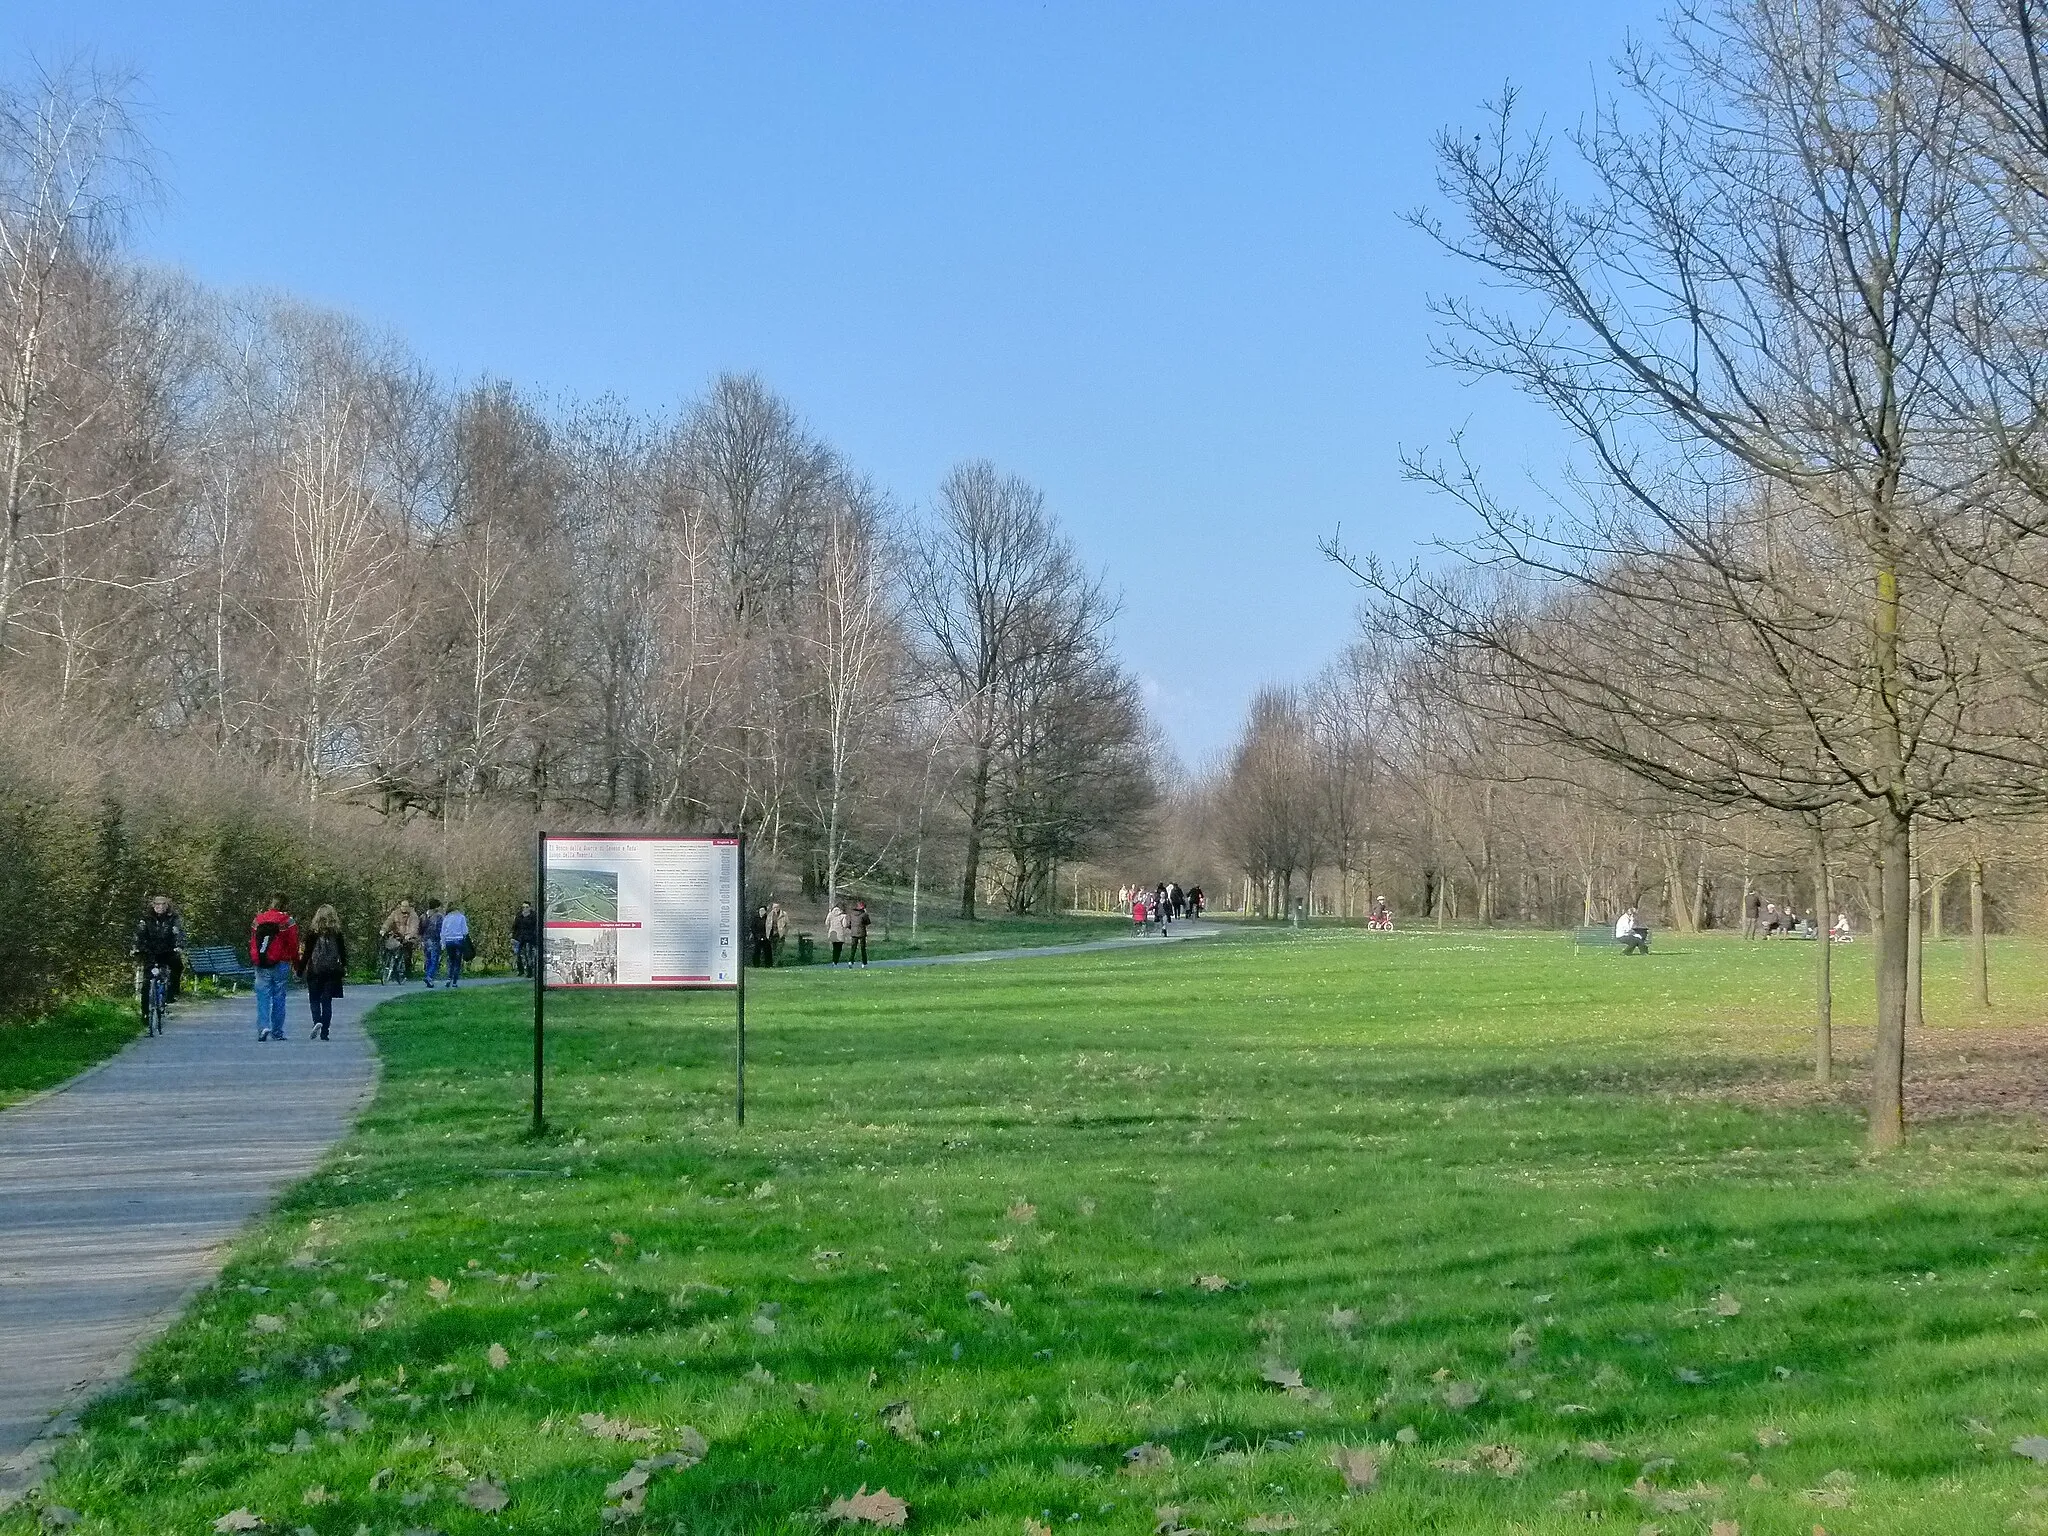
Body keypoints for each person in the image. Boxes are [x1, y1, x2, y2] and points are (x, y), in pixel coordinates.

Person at [249, 896, 301, 1041]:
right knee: (279, 996)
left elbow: (253, 942)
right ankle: (277, 1031)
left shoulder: (258, 920)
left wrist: (255, 959)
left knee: (262, 996)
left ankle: (263, 1027)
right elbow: (293, 945)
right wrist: (297, 965)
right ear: (286, 905)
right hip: (281, 962)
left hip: (261, 962)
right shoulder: (288, 921)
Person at [130, 895, 185, 1031]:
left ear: (167, 906)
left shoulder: (173, 918)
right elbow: (139, 934)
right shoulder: (146, 919)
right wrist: (136, 947)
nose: (159, 907)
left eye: (162, 905)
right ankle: (145, 1013)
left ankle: (172, 993)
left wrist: (178, 945)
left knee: (177, 965)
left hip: (167, 951)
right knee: (147, 983)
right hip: (150, 952)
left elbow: (178, 933)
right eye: (157, 904)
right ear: (153, 906)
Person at [297, 905, 347, 1040]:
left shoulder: (312, 933)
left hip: (315, 970)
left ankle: (317, 1021)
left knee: (314, 999)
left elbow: (307, 953)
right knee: (327, 1000)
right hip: (332, 971)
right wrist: (345, 967)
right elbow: (342, 953)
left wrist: (300, 970)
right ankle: (325, 1032)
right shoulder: (337, 933)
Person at [381, 899, 420, 981]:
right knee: (389, 948)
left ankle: (406, 973)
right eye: (403, 906)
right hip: (397, 935)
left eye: (406, 906)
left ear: (409, 907)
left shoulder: (413, 915)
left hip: (408, 937)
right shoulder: (395, 913)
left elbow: (414, 926)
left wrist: (409, 935)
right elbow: (389, 921)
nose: (404, 908)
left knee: (406, 954)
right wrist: (384, 929)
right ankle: (388, 969)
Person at [441, 902, 470, 987]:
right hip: (458, 940)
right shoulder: (461, 917)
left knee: (451, 960)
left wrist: (443, 943)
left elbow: (443, 932)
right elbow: (465, 931)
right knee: (457, 961)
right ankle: (454, 982)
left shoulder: (446, 918)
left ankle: (449, 978)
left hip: (449, 941)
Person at [420, 899, 445, 987]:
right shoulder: (439, 917)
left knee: (428, 960)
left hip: (425, 940)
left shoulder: (423, 916)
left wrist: (421, 940)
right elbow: (441, 929)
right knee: (434, 961)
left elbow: (420, 929)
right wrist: (442, 940)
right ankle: (429, 976)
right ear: (436, 907)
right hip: (435, 940)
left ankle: (428, 976)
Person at [511, 902, 539, 978]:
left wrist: (534, 936)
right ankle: (520, 970)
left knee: (528, 954)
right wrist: (513, 937)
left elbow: (536, 927)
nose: (525, 909)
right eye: (523, 907)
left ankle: (529, 972)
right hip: (519, 937)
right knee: (518, 954)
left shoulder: (534, 916)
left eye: (526, 907)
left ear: (530, 907)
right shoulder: (519, 915)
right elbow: (515, 927)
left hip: (529, 938)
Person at [849, 899, 871, 967]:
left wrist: (852, 928)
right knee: (863, 948)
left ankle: (850, 961)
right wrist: (866, 913)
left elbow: (848, 923)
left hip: (854, 933)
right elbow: (868, 922)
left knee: (853, 948)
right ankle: (864, 963)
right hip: (862, 933)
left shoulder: (852, 914)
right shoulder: (864, 914)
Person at [767, 899, 787, 966]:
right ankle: (772, 963)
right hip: (771, 934)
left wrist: (784, 933)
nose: (775, 909)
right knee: (772, 950)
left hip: (780, 935)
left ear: (779, 907)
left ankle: (776, 964)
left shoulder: (784, 914)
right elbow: (767, 924)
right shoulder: (770, 915)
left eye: (777, 907)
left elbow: (787, 925)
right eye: (774, 907)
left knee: (779, 950)